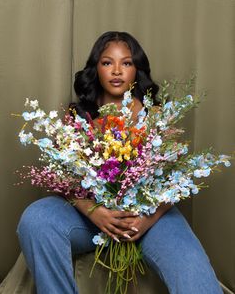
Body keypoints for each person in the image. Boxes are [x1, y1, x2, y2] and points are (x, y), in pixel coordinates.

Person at [17, 31, 223, 294]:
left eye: (126, 63)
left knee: (194, 272)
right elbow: (63, 178)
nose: (116, 71)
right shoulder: (78, 117)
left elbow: (176, 178)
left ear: (137, 69)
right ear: (96, 69)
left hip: (149, 217)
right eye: (107, 63)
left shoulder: (156, 116)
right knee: (36, 218)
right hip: (91, 217)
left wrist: (148, 219)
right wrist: (94, 211)